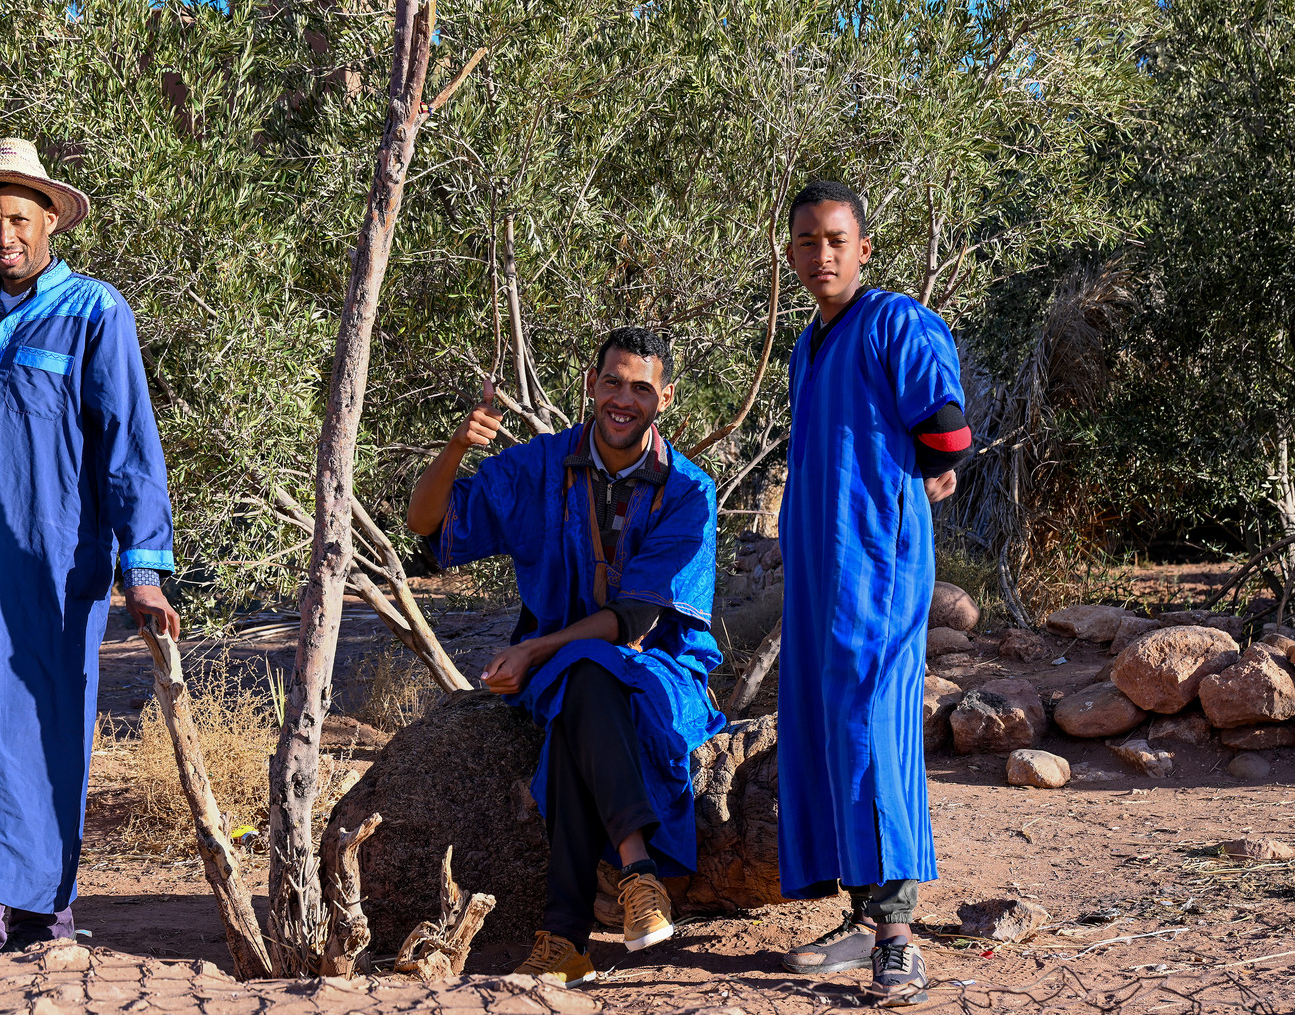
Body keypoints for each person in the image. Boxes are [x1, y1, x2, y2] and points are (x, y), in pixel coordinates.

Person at [0, 137, 181, 954]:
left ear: (50, 218)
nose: (3, 235)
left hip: (52, 555)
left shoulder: (96, 310)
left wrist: (145, 565)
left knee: (43, 716)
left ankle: (43, 913)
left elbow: (128, 439)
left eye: (19, 217)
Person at [406, 328, 725, 987]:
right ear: (591, 383)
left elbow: (639, 618)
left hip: (663, 669)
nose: (623, 399)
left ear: (663, 398)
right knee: (582, 680)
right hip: (566, 671)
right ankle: (639, 877)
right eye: (613, 381)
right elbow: (427, 526)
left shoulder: (690, 491)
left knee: (584, 685)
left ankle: (565, 938)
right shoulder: (539, 466)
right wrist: (459, 446)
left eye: (641, 387)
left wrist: (531, 648)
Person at [772, 181, 972, 1006]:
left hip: (878, 569)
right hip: (820, 573)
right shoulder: (806, 346)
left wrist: (923, 476)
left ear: (863, 248)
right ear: (791, 253)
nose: (823, 254)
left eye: (837, 239)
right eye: (809, 241)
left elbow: (948, 429)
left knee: (870, 728)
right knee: (824, 731)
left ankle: (898, 938)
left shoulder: (897, 323)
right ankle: (861, 920)